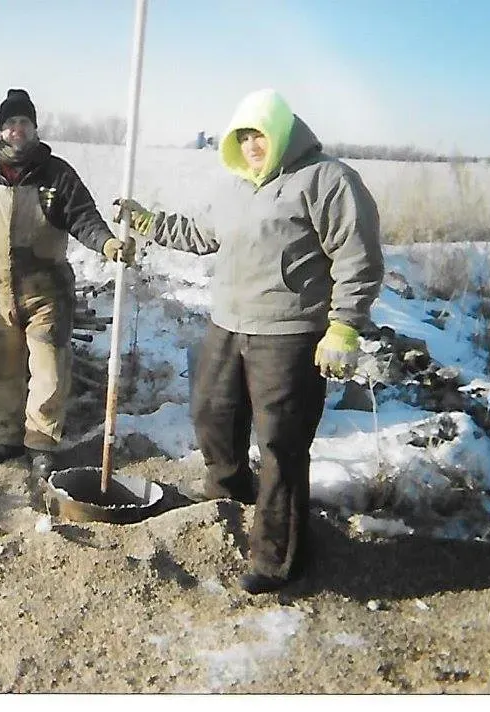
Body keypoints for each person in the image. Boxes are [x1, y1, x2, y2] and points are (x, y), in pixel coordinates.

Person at [116, 88, 384, 594]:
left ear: (281, 132)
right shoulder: (237, 187)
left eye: (259, 133)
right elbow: (200, 234)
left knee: (281, 443)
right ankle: (231, 509)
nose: (252, 144)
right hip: (228, 324)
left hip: (289, 334)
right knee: (212, 417)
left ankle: (279, 556)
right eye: (243, 135)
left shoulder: (328, 180)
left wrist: (344, 326)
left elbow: (358, 258)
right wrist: (150, 223)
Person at [0, 88, 135, 478]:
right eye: (11, 123)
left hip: (45, 290)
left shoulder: (57, 174)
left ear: (34, 128)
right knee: (3, 368)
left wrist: (108, 244)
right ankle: (8, 436)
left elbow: (84, 218)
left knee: (49, 368)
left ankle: (41, 442)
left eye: (24, 122)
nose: (18, 129)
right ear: (1, 130)